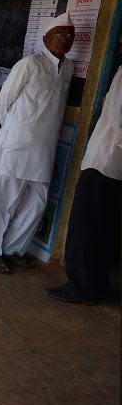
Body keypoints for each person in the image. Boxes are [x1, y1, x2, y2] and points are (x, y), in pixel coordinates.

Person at [0, 13, 75, 275]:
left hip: (44, 150)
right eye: (60, 35)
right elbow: (4, 101)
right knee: (3, 202)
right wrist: (13, 131)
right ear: (46, 38)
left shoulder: (68, 67)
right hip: (15, 146)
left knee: (36, 204)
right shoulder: (30, 64)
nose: (66, 40)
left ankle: (12, 248)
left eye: (70, 36)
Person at [46, 65, 122, 304]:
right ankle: (97, 284)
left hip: (104, 162)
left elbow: (118, 119)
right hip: (114, 167)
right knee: (105, 229)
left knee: (86, 228)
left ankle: (82, 287)